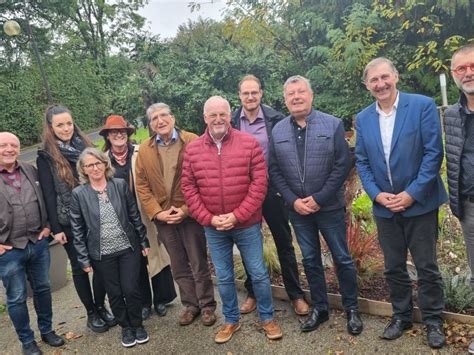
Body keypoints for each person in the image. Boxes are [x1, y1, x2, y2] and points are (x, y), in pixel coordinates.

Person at [355, 57, 447, 349]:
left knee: (426, 266)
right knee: (393, 267)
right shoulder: (363, 118)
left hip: (419, 203)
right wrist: (376, 194)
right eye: (374, 80)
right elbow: (362, 161)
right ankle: (401, 315)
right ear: (367, 85)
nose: (380, 84)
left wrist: (412, 193)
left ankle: (433, 320)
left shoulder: (421, 106)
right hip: (385, 206)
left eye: (385, 77)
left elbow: (433, 154)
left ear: (395, 76)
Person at [182, 96, 282, 344]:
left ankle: (267, 318)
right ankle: (231, 320)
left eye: (222, 114)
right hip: (213, 227)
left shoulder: (249, 144)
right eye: (212, 115)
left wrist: (237, 215)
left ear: (230, 116)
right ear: (205, 118)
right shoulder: (193, 149)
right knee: (224, 277)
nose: (218, 119)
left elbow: (260, 184)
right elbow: (188, 187)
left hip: (246, 224)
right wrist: (209, 218)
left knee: (258, 274)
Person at [268, 75, 362, 336]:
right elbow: (274, 170)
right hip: (297, 210)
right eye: (291, 94)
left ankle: (352, 308)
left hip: (328, 207)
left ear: (311, 95)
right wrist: (293, 200)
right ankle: (320, 307)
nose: (296, 97)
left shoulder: (331, 125)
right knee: (310, 260)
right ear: (285, 99)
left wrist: (319, 198)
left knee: (342, 259)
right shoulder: (278, 131)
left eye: (301, 92)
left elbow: (342, 165)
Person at [231, 74, 309, 316]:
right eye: (246, 93)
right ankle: (253, 292)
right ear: (239, 96)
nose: (250, 96)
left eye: (254, 92)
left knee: (284, 242)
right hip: (244, 193)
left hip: (273, 191)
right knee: (248, 244)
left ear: (261, 93)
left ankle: (295, 294)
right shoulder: (232, 122)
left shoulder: (276, 119)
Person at [135, 103, 216, 327]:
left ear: (172, 117)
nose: (160, 121)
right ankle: (191, 305)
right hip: (164, 218)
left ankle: (207, 305)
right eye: (154, 119)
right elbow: (141, 185)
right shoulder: (145, 149)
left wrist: (186, 209)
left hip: (190, 213)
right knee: (179, 265)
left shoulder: (192, 140)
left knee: (198, 261)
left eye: (163, 116)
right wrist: (158, 213)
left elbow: (205, 177)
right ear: (150, 124)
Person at [36, 105, 116, 333]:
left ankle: (101, 307)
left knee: (100, 265)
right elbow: (49, 194)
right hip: (68, 222)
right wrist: (56, 227)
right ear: (51, 128)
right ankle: (91, 313)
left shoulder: (86, 147)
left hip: (94, 215)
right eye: (59, 125)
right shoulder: (46, 156)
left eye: (69, 123)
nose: (66, 128)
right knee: (81, 269)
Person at [70, 148, 150, 348]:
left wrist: (143, 241)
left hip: (127, 248)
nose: (95, 168)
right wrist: (83, 259)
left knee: (131, 289)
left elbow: (134, 215)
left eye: (98, 163)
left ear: (105, 164)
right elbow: (77, 229)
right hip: (101, 253)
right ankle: (125, 327)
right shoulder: (79, 194)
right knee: (114, 292)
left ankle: (138, 325)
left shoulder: (120, 185)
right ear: (83, 169)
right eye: (90, 165)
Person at [99, 115, 177, 319]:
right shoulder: (103, 160)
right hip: (122, 218)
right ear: (107, 136)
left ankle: (162, 299)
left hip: (146, 211)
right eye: (113, 132)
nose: (118, 135)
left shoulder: (140, 151)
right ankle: (144, 302)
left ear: (127, 134)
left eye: (122, 131)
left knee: (156, 255)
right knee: (135, 260)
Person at [0, 132, 65, 355]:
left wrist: (47, 226)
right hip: (8, 250)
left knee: (43, 288)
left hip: (37, 243)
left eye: (13, 145)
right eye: (3, 145)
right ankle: (27, 341)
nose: (9, 149)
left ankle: (47, 331)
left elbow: (46, 197)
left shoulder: (30, 169)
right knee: (16, 297)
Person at [444, 43, 474, 354]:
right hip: (469, 206)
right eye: (461, 68)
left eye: (472, 65)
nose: (468, 72)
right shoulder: (452, 115)